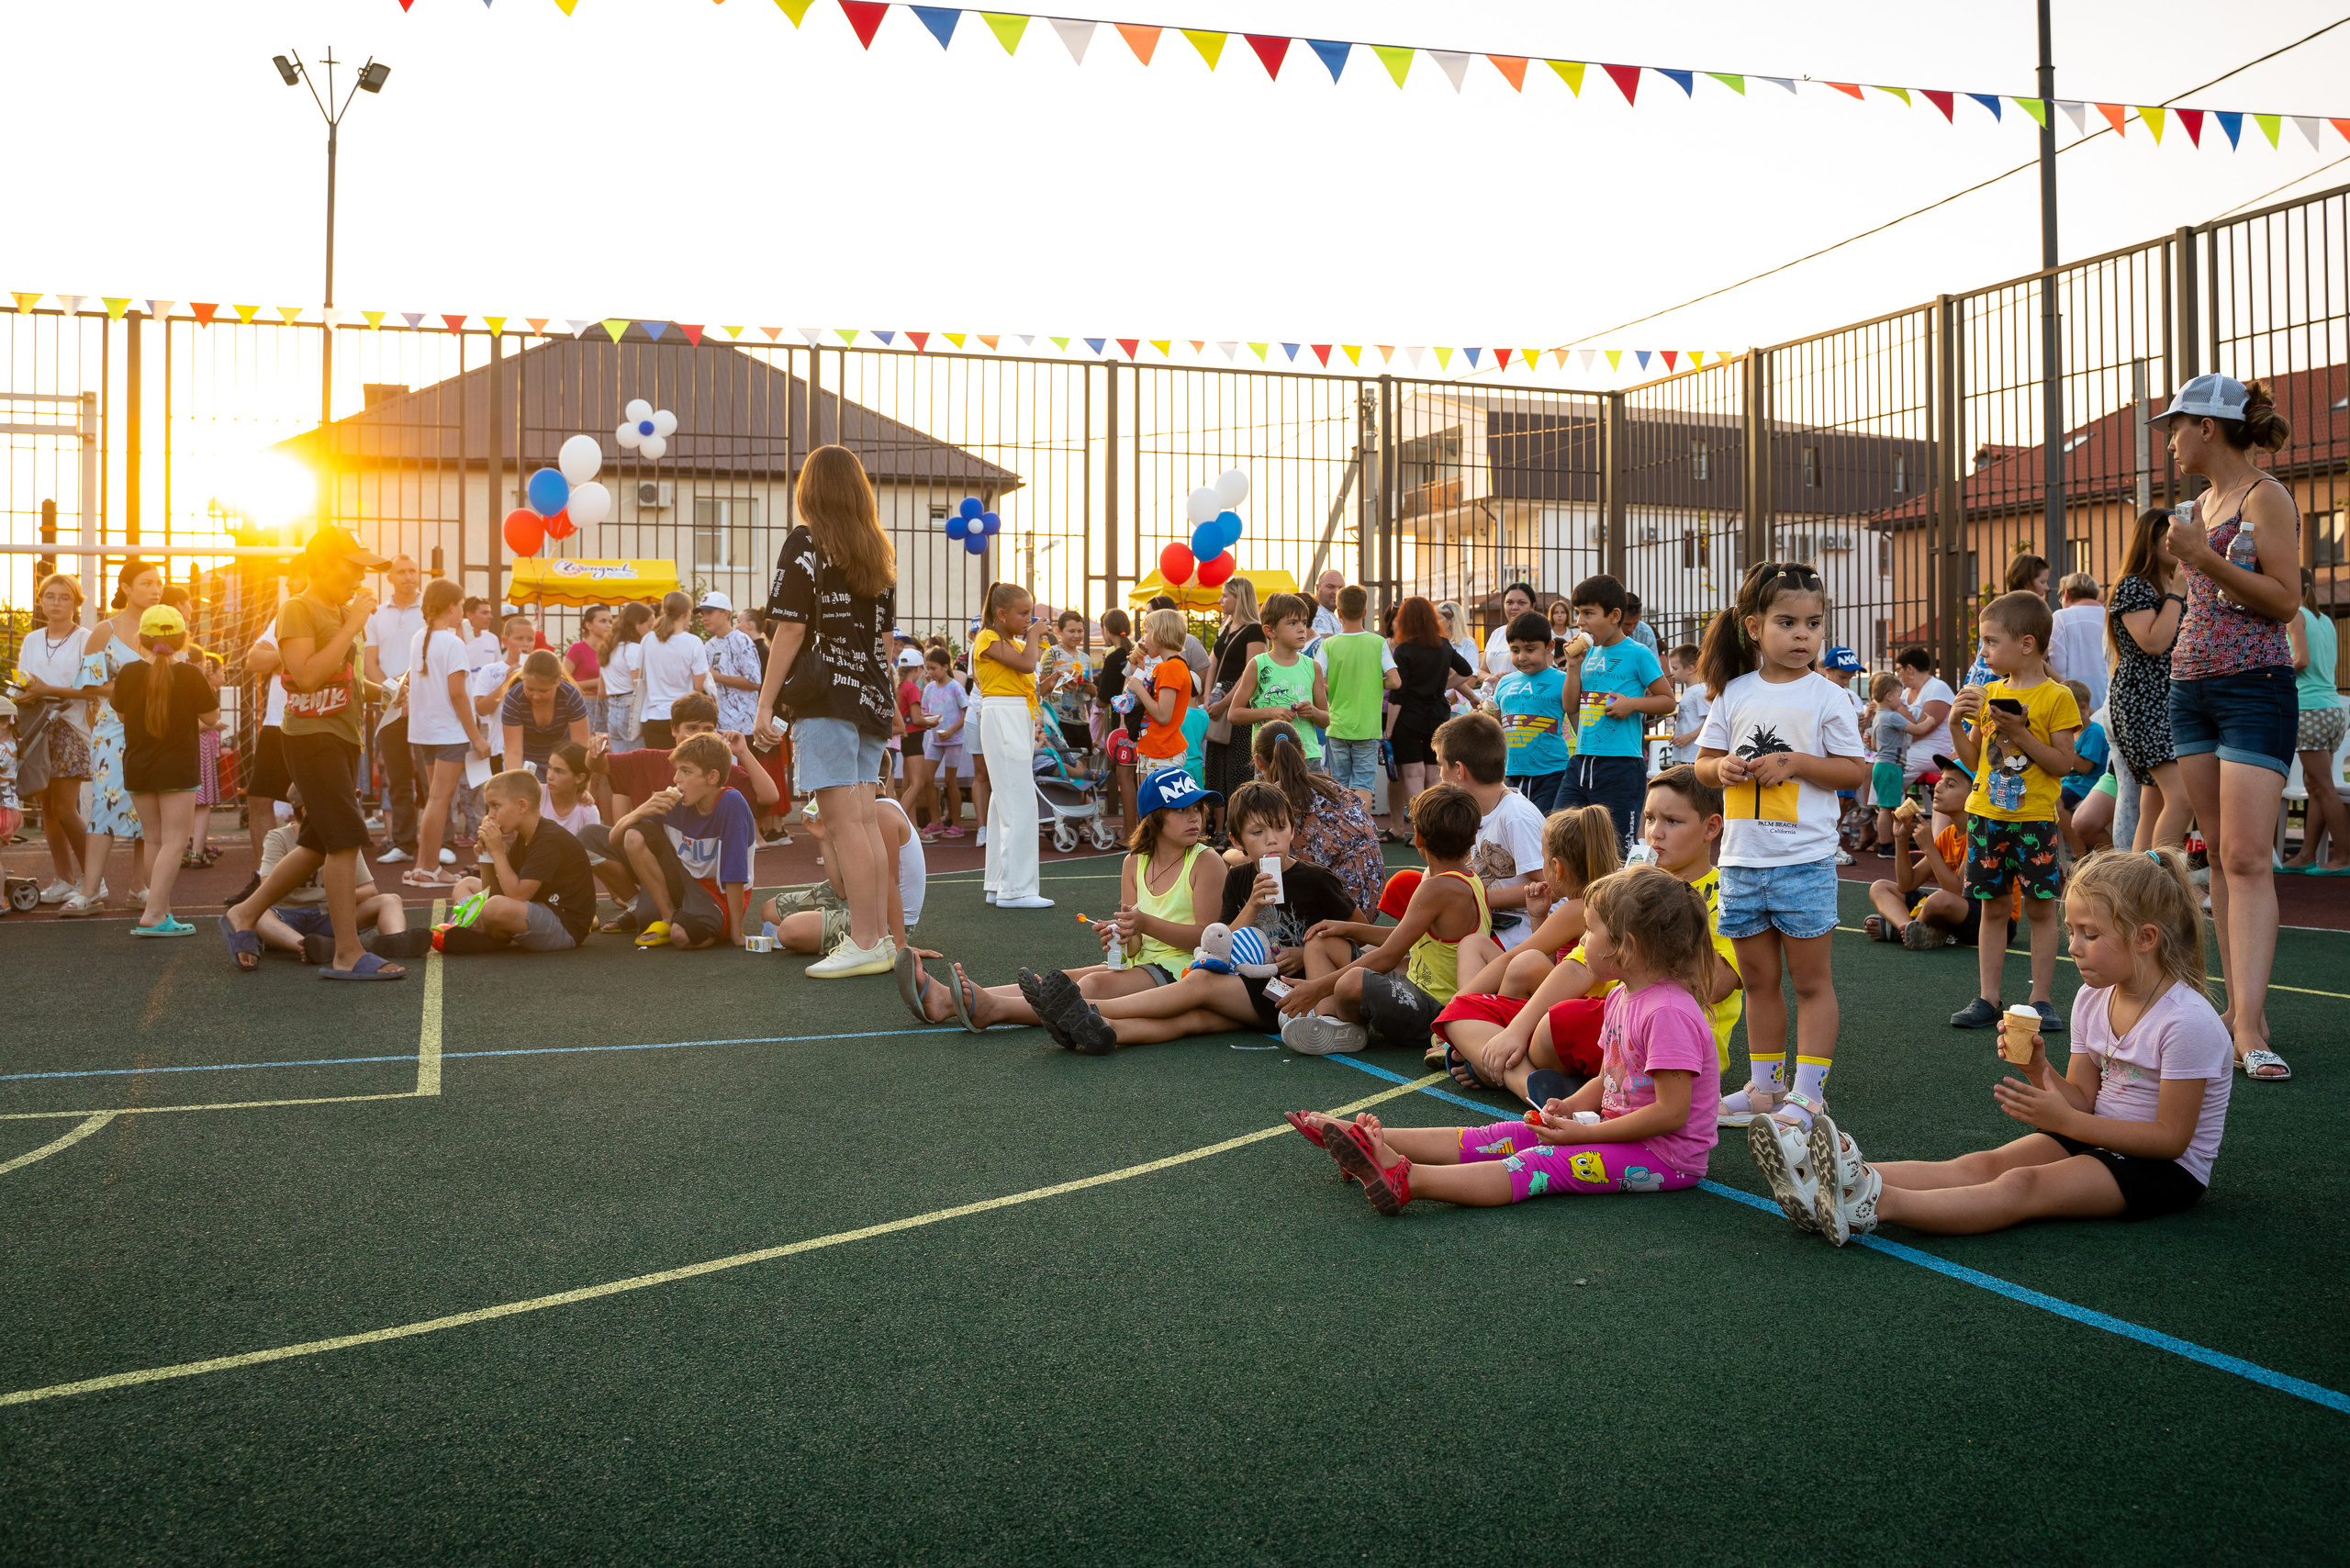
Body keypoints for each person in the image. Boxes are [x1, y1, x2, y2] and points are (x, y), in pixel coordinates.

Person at [1791, 849, 2231, 1245]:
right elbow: (2082, 1097)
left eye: (2090, 935)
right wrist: (2039, 1070)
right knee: (1980, 1164)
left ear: (2145, 938)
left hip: (2163, 1170)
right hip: (2095, 1130)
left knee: (2023, 1186)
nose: (2074, 948)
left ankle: (1871, 1203)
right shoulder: (2093, 997)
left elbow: (2172, 1140)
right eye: (2071, 931)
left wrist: (2069, 1121)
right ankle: (1826, 1181)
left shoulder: (2186, 1021)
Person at [1290, 863, 1720, 1214]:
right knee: (1505, 1133)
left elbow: (1671, 1114)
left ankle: (1409, 1179)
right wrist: (1569, 1108)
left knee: (1540, 1163)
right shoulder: (1623, 996)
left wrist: (1584, 1135)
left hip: (1664, 1157)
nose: (1582, 940)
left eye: (1590, 931)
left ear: (1626, 946)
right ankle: (1367, 1141)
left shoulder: (1667, 1011)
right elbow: (1613, 1080)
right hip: (1619, 1132)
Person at [2150, 375, 2300, 1081]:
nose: (2169, 439)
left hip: (2253, 688)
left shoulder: (2265, 496)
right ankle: (2241, 1016)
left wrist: (2204, 556)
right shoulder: (2196, 505)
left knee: (2245, 858)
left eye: (2174, 425)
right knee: (2218, 860)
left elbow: (2286, 601)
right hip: (2192, 688)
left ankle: (2248, 1022)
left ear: (2206, 427)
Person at [1695, 561, 1870, 1135]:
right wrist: (1721, 768)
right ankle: (1764, 1090)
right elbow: (1701, 766)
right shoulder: (1734, 694)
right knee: (1757, 981)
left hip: (1804, 863)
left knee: (1811, 982)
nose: (1802, 636)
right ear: (1753, 626)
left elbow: (1851, 770)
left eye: (1813, 624)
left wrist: (1793, 762)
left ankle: (1808, 1097)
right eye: (1787, 622)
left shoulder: (1829, 698)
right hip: (1742, 864)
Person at [1443, 767, 1741, 1100]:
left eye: (1672, 821)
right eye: (1649, 818)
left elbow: (1715, 986)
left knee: (1561, 1021)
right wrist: (1515, 1031)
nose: (1655, 833)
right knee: (1460, 1012)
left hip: (1660, 1037)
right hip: (1602, 1018)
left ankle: (1500, 1067)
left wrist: (1638, 952)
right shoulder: (1628, 884)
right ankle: (1528, 1079)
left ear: (1711, 827)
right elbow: (1577, 965)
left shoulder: (1726, 896)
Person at [1019, 778, 1360, 1052]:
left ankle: (1092, 1008)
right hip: (1248, 983)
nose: (1272, 840)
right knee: (1192, 1018)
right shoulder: (1239, 879)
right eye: (1258, 833)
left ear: (1292, 829)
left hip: (1285, 990)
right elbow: (1223, 941)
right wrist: (1252, 906)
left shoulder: (1315, 879)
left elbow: (1359, 934)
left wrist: (1305, 953)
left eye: (1280, 828)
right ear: (1237, 840)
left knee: (1199, 984)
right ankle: (1107, 1030)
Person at [219, 525, 405, 980]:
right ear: (322, 564)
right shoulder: (298, 609)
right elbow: (305, 676)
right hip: (311, 738)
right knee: (344, 839)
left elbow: (342, 675)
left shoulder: (340, 611)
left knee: (318, 842)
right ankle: (347, 953)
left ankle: (244, 915)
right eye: (353, 567)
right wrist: (352, 626)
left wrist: (384, 692)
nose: (360, 578)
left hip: (341, 737)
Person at [915, 768, 1225, 1032]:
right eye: (1181, 809)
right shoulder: (1134, 862)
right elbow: (1136, 947)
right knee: (1061, 978)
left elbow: (1209, 941)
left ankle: (995, 1009)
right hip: (1144, 963)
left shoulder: (1206, 862)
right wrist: (1122, 935)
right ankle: (945, 1001)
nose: (1194, 818)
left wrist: (1144, 923)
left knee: (1092, 985)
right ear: (1155, 818)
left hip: (1183, 971)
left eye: (1197, 808)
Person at [755, 443, 906, 974]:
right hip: (867, 697)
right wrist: (884, 700)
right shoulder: (876, 550)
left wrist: (765, 705)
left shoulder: (805, 542)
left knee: (844, 823)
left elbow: (791, 628)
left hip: (826, 698)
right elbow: (886, 643)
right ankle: (878, 938)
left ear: (810, 489)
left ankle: (866, 941)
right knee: (862, 820)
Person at [1946, 591, 2083, 1033]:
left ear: (2026, 644)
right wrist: (1954, 723)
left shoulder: (2057, 697)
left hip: (2035, 821)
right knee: (1992, 907)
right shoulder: (1988, 693)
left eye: (1989, 641)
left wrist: (2021, 733)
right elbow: (1973, 758)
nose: (1982, 651)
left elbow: (2064, 763)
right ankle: (1987, 998)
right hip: (1986, 816)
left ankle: (2040, 1000)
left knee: (2042, 909)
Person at [1275, 782, 1489, 1055]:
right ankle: (1326, 1020)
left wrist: (1316, 987)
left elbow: (1388, 955)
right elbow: (1405, 937)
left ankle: (1334, 1017)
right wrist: (1349, 928)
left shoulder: (1437, 888)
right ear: (1472, 838)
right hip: (1415, 982)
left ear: (1418, 837)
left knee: (1352, 982)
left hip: (1436, 1008)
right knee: (1322, 939)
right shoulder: (1466, 879)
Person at [1427, 802, 1623, 1093]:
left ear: (1555, 867)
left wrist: (1457, 1005)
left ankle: (1491, 1044)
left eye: (1543, 859)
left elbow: (1518, 960)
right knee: (1476, 944)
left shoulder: (1576, 908)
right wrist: (1537, 916)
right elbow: (1556, 966)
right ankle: (1485, 1036)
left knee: (1522, 964)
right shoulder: (1600, 897)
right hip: (1578, 1005)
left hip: (1577, 1011)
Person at [583, 692, 777, 923]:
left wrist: (743, 752)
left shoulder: (717, 772)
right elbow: (599, 765)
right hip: (649, 861)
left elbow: (769, 796)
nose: (698, 735)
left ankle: (655, 909)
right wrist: (595, 749)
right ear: (674, 729)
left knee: (663, 922)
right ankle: (636, 902)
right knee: (589, 838)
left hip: (695, 872)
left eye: (707, 729)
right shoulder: (649, 759)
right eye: (691, 728)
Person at [62, 559, 166, 918]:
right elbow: (88, 683)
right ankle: (90, 891)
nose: (156, 589)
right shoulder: (104, 630)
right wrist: (134, 687)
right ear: (125, 587)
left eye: (159, 583)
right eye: (147, 583)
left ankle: (140, 887)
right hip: (112, 729)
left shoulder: (167, 628)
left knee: (147, 807)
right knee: (105, 804)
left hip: (155, 728)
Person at [110, 603, 218, 935]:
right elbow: (211, 719)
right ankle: (155, 914)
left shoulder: (128, 672)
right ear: (183, 639)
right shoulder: (189, 674)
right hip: (177, 768)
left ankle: (160, 909)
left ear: (141, 639)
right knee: (175, 841)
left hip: (139, 768)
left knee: (154, 839)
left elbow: (122, 717)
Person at [606, 733, 753, 951]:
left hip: (716, 892)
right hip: (684, 881)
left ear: (712, 777)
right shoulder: (675, 802)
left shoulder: (731, 803)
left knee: (680, 936)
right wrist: (640, 810)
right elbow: (615, 839)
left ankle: (691, 920)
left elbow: (734, 873)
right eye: (677, 770)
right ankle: (669, 915)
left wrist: (736, 933)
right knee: (633, 835)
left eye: (685, 771)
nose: (676, 779)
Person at [1559, 573, 1674, 848]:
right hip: (1581, 760)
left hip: (1621, 763)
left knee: (1617, 845)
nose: (1580, 622)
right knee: (1561, 834)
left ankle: (1617, 892)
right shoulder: (1586, 656)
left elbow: (1667, 700)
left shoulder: (1638, 653)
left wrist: (1631, 704)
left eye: (1588, 613)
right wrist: (1572, 667)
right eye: (1578, 613)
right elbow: (1570, 705)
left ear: (1614, 615)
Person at [961, 580, 1054, 911]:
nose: (1029, 620)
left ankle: (1000, 883)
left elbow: (1027, 678)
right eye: (1023, 613)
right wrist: (1033, 638)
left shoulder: (1009, 642)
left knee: (1005, 803)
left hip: (1014, 716)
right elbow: (1028, 665)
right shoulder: (987, 638)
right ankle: (1016, 889)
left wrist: (1051, 678)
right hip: (1004, 716)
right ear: (1001, 614)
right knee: (1019, 802)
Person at [249, 785, 419, 964]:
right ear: (308, 811)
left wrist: (340, 897)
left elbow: (370, 890)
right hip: (287, 916)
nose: (346, 809)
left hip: (331, 915)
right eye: (337, 804)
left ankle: (394, 940)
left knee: (390, 900)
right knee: (260, 914)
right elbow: (267, 886)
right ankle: (305, 945)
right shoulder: (278, 838)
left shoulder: (344, 836)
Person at [1862, 752, 2014, 950]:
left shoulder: (1983, 836)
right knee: (1881, 887)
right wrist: (1901, 838)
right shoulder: (1948, 834)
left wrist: (1928, 848)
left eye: (1950, 785)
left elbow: (1958, 891)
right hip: (1952, 910)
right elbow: (1907, 884)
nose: (1938, 788)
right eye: (1941, 781)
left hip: (1994, 919)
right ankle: (1908, 928)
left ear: (1974, 796)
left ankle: (1904, 929)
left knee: (1939, 899)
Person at [440, 768, 598, 954]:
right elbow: (496, 893)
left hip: (564, 926)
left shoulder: (549, 839)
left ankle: (480, 932)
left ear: (522, 806)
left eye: (496, 806)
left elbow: (516, 896)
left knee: (494, 908)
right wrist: (487, 855)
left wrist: (498, 852)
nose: (490, 815)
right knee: (465, 885)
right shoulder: (524, 838)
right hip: (534, 909)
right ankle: (479, 930)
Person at [1431, 711, 1546, 963]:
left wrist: (1476, 898)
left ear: (1459, 770)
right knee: (1411, 884)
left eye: (1441, 765)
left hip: (1523, 929)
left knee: (1449, 950)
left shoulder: (1515, 815)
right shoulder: (1473, 810)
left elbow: (1550, 888)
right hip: (1493, 919)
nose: (1439, 774)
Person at [2105, 508, 2188, 850]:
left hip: (2169, 700)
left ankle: (2137, 889)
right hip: (2143, 703)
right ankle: (2162, 881)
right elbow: (2154, 642)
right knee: (2182, 798)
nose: (2181, 546)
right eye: (2171, 539)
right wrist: (2178, 593)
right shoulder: (2133, 586)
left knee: (2153, 802)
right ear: (2151, 545)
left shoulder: (2170, 585)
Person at [401, 579, 489, 890]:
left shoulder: (419, 637)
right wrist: (476, 737)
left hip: (424, 731)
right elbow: (458, 694)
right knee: (440, 799)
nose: (463, 613)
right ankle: (429, 868)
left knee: (434, 800)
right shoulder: (452, 644)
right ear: (451, 607)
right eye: (462, 606)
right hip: (447, 731)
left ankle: (423, 867)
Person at [1253, 720, 1383, 919]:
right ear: (1303, 755)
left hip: (1342, 910)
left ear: (1258, 762)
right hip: (1372, 897)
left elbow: (1265, 855)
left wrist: (1228, 856)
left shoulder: (1276, 799)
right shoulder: (1329, 786)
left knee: (1255, 870)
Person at [773, 790, 924, 958]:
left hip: (889, 923)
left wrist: (900, 943)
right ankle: (826, 920)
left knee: (789, 930)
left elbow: (889, 882)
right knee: (769, 912)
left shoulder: (880, 814)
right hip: (866, 896)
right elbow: (842, 891)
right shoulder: (864, 812)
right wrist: (824, 839)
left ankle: (878, 941)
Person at [14, 572, 91, 902]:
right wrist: (25, 693)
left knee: (63, 807)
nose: (56, 603)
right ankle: (64, 879)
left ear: (76, 602)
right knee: (46, 809)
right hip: (37, 728)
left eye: (63, 597)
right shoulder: (32, 640)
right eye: (50, 597)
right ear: (41, 600)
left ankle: (94, 878)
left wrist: (47, 690)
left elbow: (91, 689)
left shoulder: (86, 638)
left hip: (69, 728)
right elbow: (23, 682)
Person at [1385, 596, 1477, 844]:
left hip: (1409, 719)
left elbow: (1398, 693)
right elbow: (1467, 671)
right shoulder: (1443, 645)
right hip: (1438, 717)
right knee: (1434, 775)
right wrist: (1442, 686)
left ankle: (1420, 832)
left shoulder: (1404, 650)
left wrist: (1389, 730)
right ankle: (1437, 828)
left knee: (1413, 776)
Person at [2283, 566, 2349, 873]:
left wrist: (2275, 672)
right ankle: (2307, 854)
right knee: (2315, 783)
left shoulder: (2295, 614)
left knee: (2322, 786)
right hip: (2332, 710)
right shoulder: (2325, 621)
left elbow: (2301, 658)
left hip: (2310, 709)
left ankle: (2343, 857)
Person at [364, 554, 427, 864]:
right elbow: (369, 664)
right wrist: (395, 692)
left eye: (413, 571)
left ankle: (439, 845)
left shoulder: (430, 610)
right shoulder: (376, 616)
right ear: (390, 577)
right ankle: (403, 844)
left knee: (431, 778)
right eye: (401, 571)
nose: (408, 576)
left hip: (427, 704)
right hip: (390, 706)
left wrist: (414, 692)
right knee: (399, 778)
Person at [1226, 592, 1327, 784]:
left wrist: (1312, 711)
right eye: (1292, 623)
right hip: (1268, 756)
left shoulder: (1313, 667)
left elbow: (1325, 719)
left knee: (1311, 811)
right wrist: (1271, 711)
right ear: (1270, 631)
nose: (1302, 629)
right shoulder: (1258, 664)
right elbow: (1234, 714)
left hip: (1307, 755)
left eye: (1304, 623)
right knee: (1272, 811)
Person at [1319, 584, 1399, 816]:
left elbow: (1318, 681)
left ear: (1339, 613)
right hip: (1367, 726)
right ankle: (1361, 829)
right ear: (1365, 612)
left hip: (1337, 725)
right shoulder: (1378, 643)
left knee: (1339, 784)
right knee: (1363, 783)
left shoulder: (1329, 644)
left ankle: (1342, 829)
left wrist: (1336, 685)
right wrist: (1374, 683)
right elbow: (1395, 681)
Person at [1200, 578, 1266, 828]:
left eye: (1226, 596)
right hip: (1218, 702)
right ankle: (1218, 827)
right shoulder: (1224, 628)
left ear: (1240, 598)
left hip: (1238, 704)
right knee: (1216, 767)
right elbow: (1212, 664)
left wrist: (1226, 703)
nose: (1221, 600)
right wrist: (1208, 697)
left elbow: (1250, 673)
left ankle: (1237, 826)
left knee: (1238, 767)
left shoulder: (1254, 630)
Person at [1492, 610, 1569, 815]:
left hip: (1551, 773)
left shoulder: (1563, 680)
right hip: (1510, 774)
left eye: (1530, 649)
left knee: (1545, 832)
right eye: (1515, 650)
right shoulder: (1505, 683)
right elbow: (1495, 725)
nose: (1521, 657)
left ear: (1550, 646)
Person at [637, 591, 710, 751]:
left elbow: (638, 675)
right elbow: (699, 686)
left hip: (653, 716)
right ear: (687, 613)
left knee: (657, 770)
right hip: (683, 718)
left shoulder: (648, 639)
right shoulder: (693, 642)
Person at [499, 650, 591, 775]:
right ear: (523, 679)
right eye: (530, 689)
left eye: (543, 691)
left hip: (563, 761)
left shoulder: (570, 696)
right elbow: (513, 752)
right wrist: (519, 782)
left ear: (558, 681)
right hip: (526, 761)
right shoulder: (514, 698)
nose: (536, 696)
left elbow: (581, 748)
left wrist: (581, 788)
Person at [1966, 553, 2050, 689]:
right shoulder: (2026, 616)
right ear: (2027, 582)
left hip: (1978, 679)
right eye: (2042, 581)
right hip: (2003, 682)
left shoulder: (1997, 610)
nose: (2046, 587)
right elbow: (2041, 656)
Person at [909, 646, 968, 839]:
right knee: (927, 779)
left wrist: (951, 730)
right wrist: (928, 719)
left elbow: (966, 714)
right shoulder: (929, 689)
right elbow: (924, 711)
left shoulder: (956, 688)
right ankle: (935, 822)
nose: (930, 672)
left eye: (934, 668)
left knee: (951, 781)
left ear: (945, 667)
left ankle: (957, 824)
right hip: (935, 739)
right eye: (928, 668)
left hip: (954, 740)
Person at [1094, 607, 1142, 832]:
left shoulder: (1114, 657)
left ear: (1106, 629)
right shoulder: (1136, 651)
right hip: (1140, 720)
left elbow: (1103, 699)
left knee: (1125, 777)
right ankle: (1137, 828)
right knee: (1137, 778)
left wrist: (1091, 689)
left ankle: (1130, 831)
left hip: (1122, 723)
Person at [1892, 645, 1958, 803]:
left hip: (1934, 750)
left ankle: (1886, 814)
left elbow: (1922, 729)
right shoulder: (1906, 693)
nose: (1898, 675)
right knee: (1873, 765)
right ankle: (1872, 812)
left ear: (1909, 669)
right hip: (1910, 748)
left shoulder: (1938, 688)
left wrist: (1897, 707)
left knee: (1891, 770)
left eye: (1898, 670)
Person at [2058, 680, 2111, 856]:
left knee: (2054, 801)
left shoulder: (2094, 732)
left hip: (2087, 783)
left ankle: (2077, 847)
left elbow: (2086, 767)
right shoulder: (2073, 732)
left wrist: (2062, 748)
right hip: (2071, 782)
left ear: (2082, 707)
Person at [699, 590, 763, 734]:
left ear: (725, 614)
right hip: (717, 726)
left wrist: (717, 677)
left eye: (709, 613)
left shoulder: (742, 640)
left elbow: (754, 683)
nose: (704, 618)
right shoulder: (708, 645)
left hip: (742, 728)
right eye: (702, 614)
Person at [2048, 573, 2109, 715]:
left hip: (2074, 702)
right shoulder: (2109, 616)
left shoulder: (2061, 617)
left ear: (2067, 593)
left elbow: (2058, 668)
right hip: (2107, 700)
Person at [1038, 609, 1094, 764]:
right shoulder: (1051, 654)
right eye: (1071, 631)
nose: (1076, 635)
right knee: (1062, 763)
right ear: (1059, 631)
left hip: (1080, 720)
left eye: (1080, 631)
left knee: (1083, 766)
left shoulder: (1085, 658)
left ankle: (1084, 789)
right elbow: (1041, 688)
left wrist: (1092, 690)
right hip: (1057, 720)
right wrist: (1061, 683)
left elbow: (1089, 692)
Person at [1866, 672, 1912, 858]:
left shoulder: (1878, 716)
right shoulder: (1893, 717)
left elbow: (1875, 745)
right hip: (1891, 767)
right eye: (1900, 696)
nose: (1901, 701)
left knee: (1886, 807)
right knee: (1887, 808)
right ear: (1889, 696)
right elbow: (1918, 729)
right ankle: (1885, 845)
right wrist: (1931, 720)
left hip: (1881, 765)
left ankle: (1886, 843)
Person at [602, 601, 651, 755]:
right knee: (638, 757)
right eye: (650, 626)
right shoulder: (633, 649)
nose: (652, 631)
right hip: (629, 705)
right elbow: (637, 685)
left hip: (613, 707)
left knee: (619, 759)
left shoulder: (610, 648)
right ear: (637, 624)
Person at [565, 605, 612, 738]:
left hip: (609, 706)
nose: (608, 625)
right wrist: (599, 681)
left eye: (610, 621)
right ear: (589, 625)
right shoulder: (578, 649)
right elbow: (564, 682)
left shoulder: (611, 651)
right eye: (602, 621)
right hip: (585, 705)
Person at [539, 741, 601, 835]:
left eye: (559, 771)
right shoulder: (537, 795)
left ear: (580, 778)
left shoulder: (589, 812)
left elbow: (591, 848)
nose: (549, 776)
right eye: (549, 767)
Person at [1481, 582, 1535, 682]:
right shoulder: (1497, 633)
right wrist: (1494, 678)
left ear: (1533, 606)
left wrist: (1509, 680)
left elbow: (1544, 671)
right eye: (1509, 602)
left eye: (1521, 603)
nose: (1514, 607)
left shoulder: (1539, 633)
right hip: (1494, 695)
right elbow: (1482, 671)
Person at [1666, 643, 1707, 767]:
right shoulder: (1690, 691)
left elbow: (1710, 721)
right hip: (1687, 754)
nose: (1672, 673)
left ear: (1690, 669)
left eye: (1675, 668)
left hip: (1695, 754)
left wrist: (1688, 737)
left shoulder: (1700, 691)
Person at [1620, 590, 1661, 656]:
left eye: (1635, 623)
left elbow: (1652, 663)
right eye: (1627, 624)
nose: (1631, 629)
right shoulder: (1606, 631)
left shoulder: (1646, 632)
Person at [1310, 570, 1345, 638]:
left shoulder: (1332, 616)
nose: (1336, 592)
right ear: (1317, 588)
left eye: (1340, 588)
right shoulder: (1315, 615)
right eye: (1330, 587)